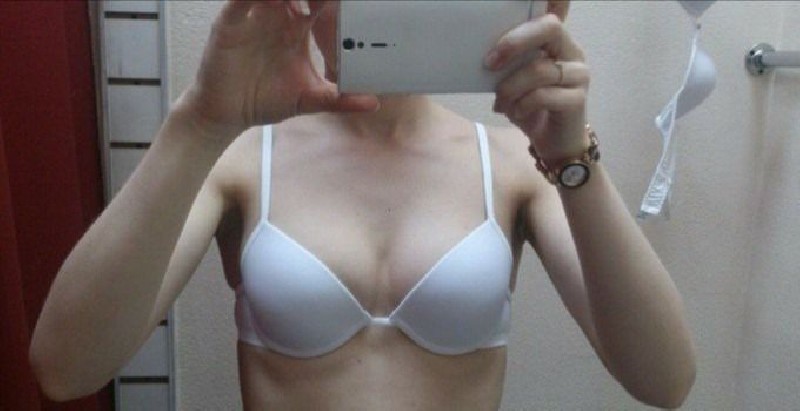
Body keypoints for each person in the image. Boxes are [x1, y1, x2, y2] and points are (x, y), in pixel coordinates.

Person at [29, 1, 696, 409]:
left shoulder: (515, 163)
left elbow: (665, 380)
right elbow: (64, 368)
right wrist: (200, 120)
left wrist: (573, 158)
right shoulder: (242, 159)